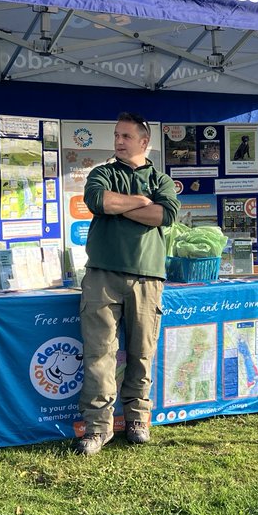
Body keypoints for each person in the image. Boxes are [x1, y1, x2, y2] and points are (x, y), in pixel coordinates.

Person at [76, 112, 179, 455]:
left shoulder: (161, 179)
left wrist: (121, 207)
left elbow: (163, 215)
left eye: (126, 136)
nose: (118, 141)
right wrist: (139, 202)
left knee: (142, 354)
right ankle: (97, 428)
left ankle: (137, 419)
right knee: (99, 354)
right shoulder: (102, 173)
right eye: (117, 136)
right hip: (102, 275)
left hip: (148, 278)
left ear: (144, 141)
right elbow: (99, 201)